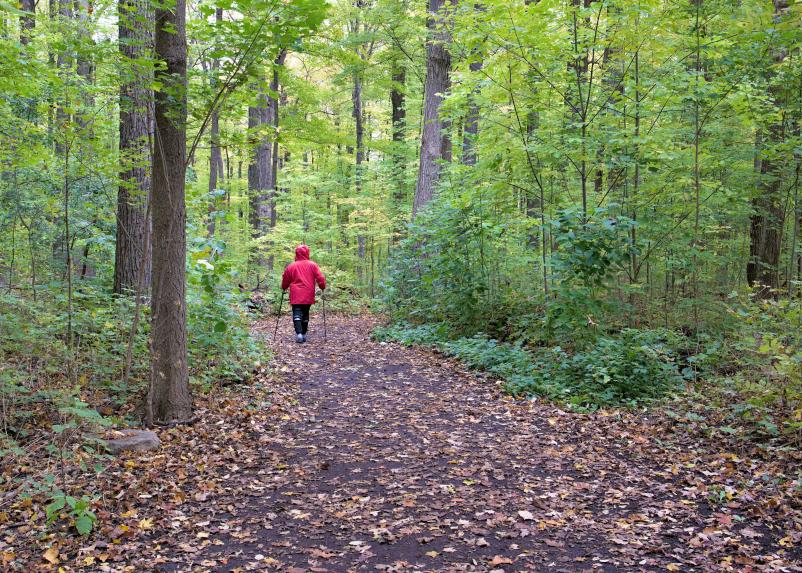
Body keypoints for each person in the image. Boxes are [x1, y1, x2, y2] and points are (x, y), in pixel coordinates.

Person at [281, 244, 326, 343]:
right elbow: (320, 278)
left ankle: (299, 334)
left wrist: (284, 287)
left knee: (296, 312)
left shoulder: (291, 266)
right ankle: (303, 333)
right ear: (307, 253)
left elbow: (285, 279)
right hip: (308, 293)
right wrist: (322, 286)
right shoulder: (312, 265)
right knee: (305, 313)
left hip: (296, 294)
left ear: (296, 253)